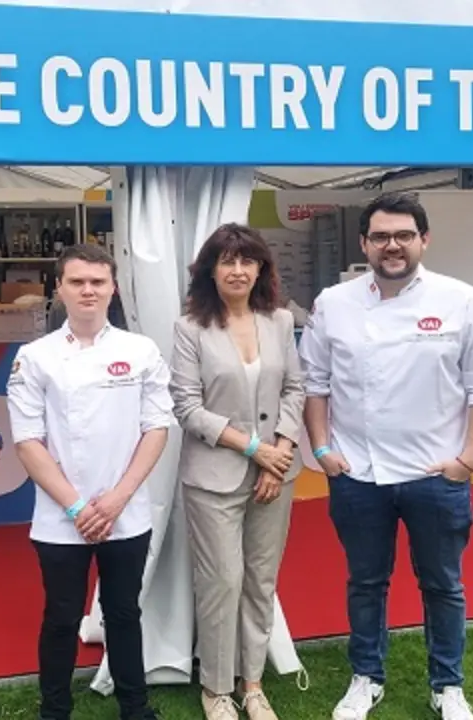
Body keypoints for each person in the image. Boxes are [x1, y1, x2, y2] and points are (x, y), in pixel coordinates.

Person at [298, 192, 473, 720]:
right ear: (364, 243)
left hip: (436, 474)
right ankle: (366, 677)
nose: (392, 246)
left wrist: (467, 460)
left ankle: (448, 685)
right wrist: (322, 450)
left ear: (424, 240)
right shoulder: (333, 303)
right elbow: (314, 383)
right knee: (366, 583)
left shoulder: (460, 299)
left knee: (443, 585)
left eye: (403, 236)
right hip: (358, 473)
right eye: (381, 237)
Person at [6, 243, 173, 720]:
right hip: (61, 518)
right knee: (61, 617)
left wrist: (117, 499)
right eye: (76, 281)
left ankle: (135, 709)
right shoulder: (34, 357)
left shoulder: (140, 350)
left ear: (113, 288)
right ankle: (54, 711)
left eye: (97, 282)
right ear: (58, 288)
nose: (88, 291)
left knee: (124, 615)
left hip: (126, 512)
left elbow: (156, 428)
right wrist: (78, 507)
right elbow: (27, 442)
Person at [168, 223, 304, 720]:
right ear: (210, 269)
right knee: (222, 581)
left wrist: (279, 454)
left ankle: (253, 684)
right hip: (214, 477)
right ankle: (216, 688)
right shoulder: (190, 328)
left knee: (260, 581)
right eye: (228, 261)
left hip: (277, 474)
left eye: (248, 260)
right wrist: (255, 449)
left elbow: (295, 389)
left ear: (261, 268)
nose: (238, 270)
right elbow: (187, 406)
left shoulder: (280, 321)